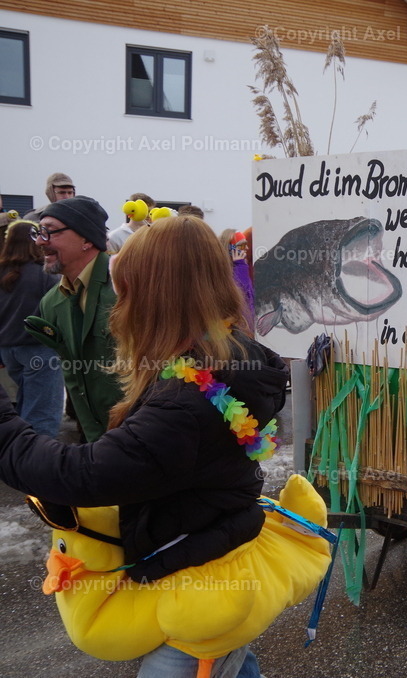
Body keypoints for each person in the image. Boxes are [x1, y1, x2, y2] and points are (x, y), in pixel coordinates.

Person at [0, 215, 296, 677]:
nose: (120, 305)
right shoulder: (225, 355)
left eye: (128, 290)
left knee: (206, 654)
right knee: (229, 658)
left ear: (156, 296)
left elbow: (84, 475)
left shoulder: (188, 402)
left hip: (200, 580)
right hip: (210, 551)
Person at [25, 196, 121, 442]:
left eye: (51, 232)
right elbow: (74, 377)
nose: (39, 241)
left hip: (146, 433)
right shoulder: (50, 303)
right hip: (97, 440)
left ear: (87, 239)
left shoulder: (126, 286)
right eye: (38, 232)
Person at [0, 221, 64, 436]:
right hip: (40, 350)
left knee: (25, 409)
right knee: (43, 415)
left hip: (9, 351)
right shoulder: (45, 273)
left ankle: (18, 460)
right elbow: (60, 311)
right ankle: (36, 465)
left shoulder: (3, 272)